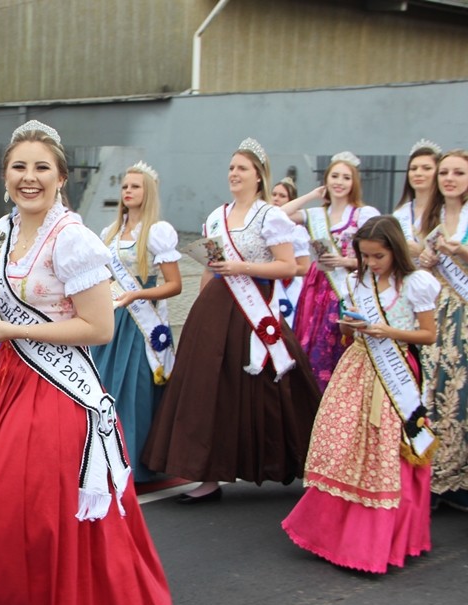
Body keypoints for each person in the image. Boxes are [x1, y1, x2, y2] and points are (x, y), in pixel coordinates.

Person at [0, 121, 176, 605]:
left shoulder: (73, 239)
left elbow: (98, 328)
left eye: (41, 168)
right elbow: (0, 298)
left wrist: (12, 331)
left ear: (61, 177)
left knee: (37, 514)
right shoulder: (3, 231)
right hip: (7, 385)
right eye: (18, 167)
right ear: (4, 175)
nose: (29, 178)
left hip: (57, 397)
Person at [142, 138, 321, 503]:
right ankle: (208, 477)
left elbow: (289, 266)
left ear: (259, 175)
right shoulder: (215, 217)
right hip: (215, 308)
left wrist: (242, 267)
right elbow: (212, 267)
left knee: (271, 386)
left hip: (255, 311)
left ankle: (298, 462)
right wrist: (200, 305)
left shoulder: (270, 216)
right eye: (231, 168)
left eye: (242, 168)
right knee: (209, 392)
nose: (234, 174)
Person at [283, 215, 440, 573]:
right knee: (344, 447)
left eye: (378, 256)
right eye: (366, 256)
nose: (371, 263)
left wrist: (390, 330)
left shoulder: (416, 284)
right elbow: (353, 333)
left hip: (394, 372)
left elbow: (429, 334)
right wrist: (350, 327)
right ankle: (330, 532)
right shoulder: (362, 280)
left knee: (382, 452)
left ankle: (377, 540)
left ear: (395, 251)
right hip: (357, 367)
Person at [90, 161, 182, 483]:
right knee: (105, 385)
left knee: (136, 389)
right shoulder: (110, 232)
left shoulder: (157, 232)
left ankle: (135, 458)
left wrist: (137, 295)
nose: (128, 191)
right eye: (125, 186)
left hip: (141, 322)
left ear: (149, 191)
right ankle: (102, 455)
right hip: (114, 317)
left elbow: (174, 285)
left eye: (135, 186)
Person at [283, 152, 381, 391]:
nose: (339, 182)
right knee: (313, 342)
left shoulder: (364, 214)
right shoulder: (316, 215)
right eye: (334, 176)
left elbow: (378, 257)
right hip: (317, 287)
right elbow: (278, 214)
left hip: (348, 287)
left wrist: (345, 261)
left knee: (340, 340)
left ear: (354, 182)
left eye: (346, 177)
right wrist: (312, 195)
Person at [418, 149, 468, 511]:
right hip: (439, 311)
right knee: (431, 390)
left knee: (460, 394)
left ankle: (459, 478)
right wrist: (425, 261)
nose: (450, 178)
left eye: (459, 173)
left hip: (465, 316)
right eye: (445, 172)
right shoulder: (432, 217)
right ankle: (431, 476)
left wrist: (462, 255)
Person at [393, 140, 442, 262]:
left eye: (426, 168)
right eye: (413, 168)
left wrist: (421, 252)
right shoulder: (400, 213)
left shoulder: (446, 211)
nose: (418, 173)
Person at [272, 177, 311, 328]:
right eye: (274, 194)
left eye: (282, 196)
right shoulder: (260, 224)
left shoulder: (297, 230)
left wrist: (279, 268)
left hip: (289, 287)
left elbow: (304, 267)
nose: (276, 198)